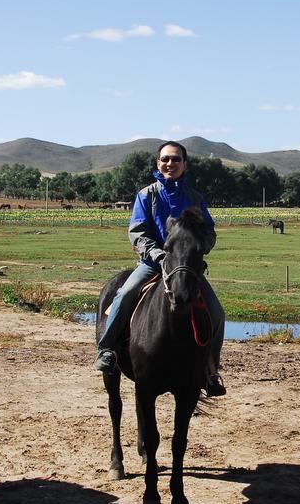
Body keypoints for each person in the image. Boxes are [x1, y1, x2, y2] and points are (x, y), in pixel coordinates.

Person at [94, 141, 227, 397]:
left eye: (176, 159)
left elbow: (208, 231)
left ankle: (210, 371)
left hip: (186, 267)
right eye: (165, 159)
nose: (170, 164)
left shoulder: (195, 198)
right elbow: (138, 231)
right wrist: (158, 255)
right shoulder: (147, 195)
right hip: (152, 263)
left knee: (216, 311)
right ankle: (107, 350)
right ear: (158, 164)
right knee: (123, 295)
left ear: (184, 165)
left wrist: (200, 246)